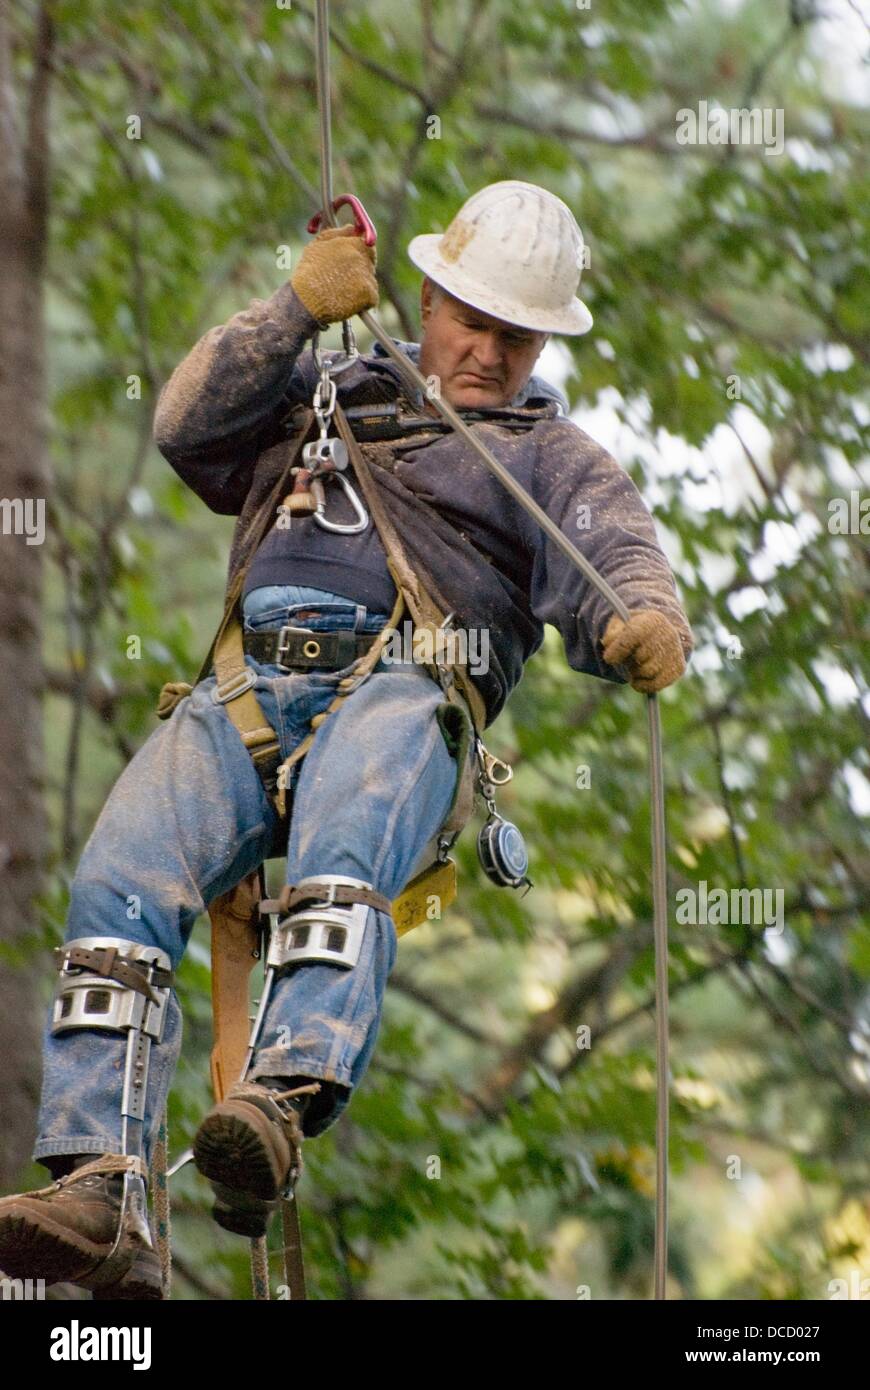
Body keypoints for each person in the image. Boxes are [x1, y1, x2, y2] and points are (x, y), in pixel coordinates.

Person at [0, 180, 693, 1298]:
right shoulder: (322, 393)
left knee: (346, 839)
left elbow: (612, 553)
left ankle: (276, 1103)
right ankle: (99, 1190)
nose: (491, 354)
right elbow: (186, 428)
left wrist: (643, 618)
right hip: (242, 689)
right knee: (118, 881)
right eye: (474, 321)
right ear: (428, 297)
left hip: (409, 684)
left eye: (518, 338)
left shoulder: (543, 454)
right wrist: (294, 310)